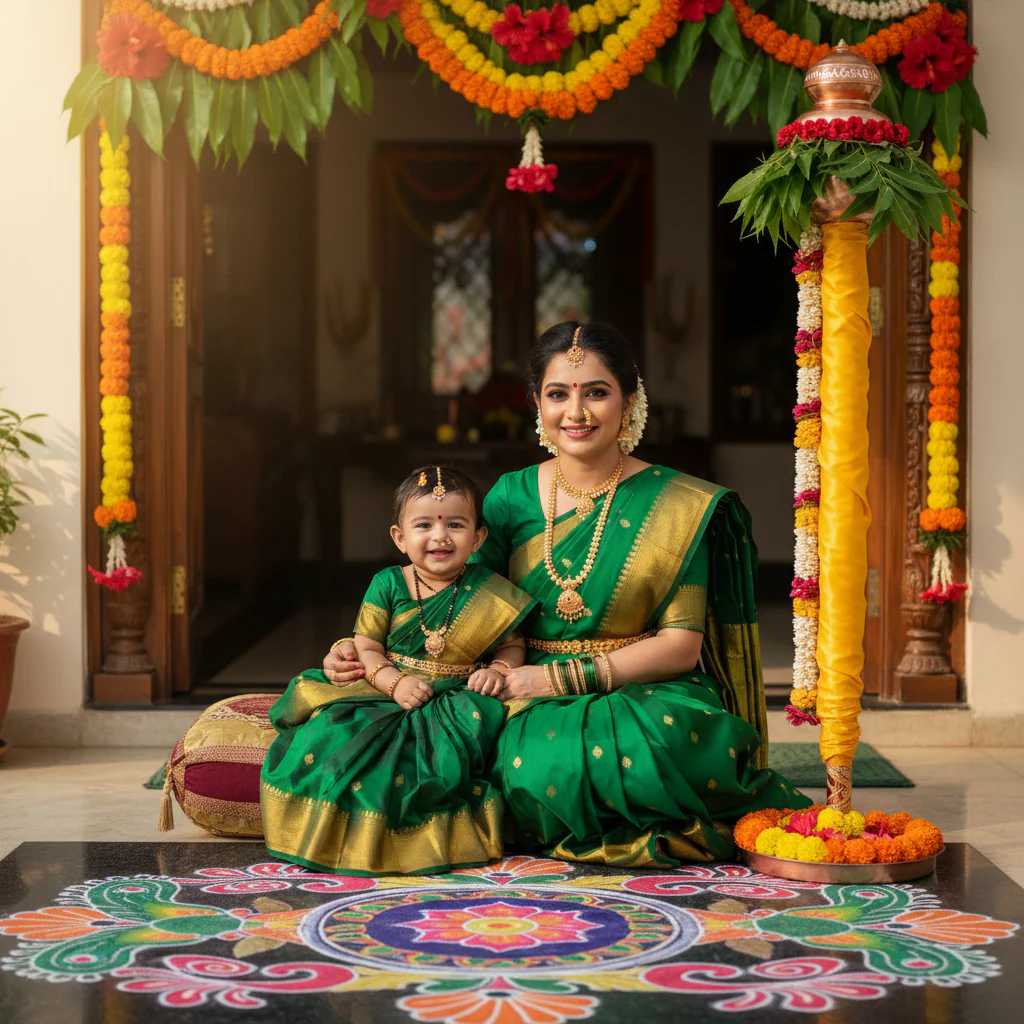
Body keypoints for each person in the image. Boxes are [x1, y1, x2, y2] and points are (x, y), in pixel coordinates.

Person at [325, 321, 810, 868]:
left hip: (644, 689)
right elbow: (454, 605)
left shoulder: (678, 504)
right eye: (558, 394)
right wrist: (367, 648)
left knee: (652, 752)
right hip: (518, 685)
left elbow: (680, 645)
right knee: (498, 757)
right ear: (538, 403)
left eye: (596, 393)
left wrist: (559, 678)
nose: (575, 413)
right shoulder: (510, 497)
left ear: (629, 401)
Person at [261, 466, 536, 875]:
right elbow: (367, 646)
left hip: (457, 696)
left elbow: (513, 644)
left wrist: (498, 669)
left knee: (442, 761)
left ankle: (426, 836)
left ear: (478, 538)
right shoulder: (388, 583)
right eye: (423, 525)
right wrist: (395, 682)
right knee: (333, 736)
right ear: (400, 537)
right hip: (386, 687)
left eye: (456, 525)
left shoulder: (492, 591)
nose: (440, 537)